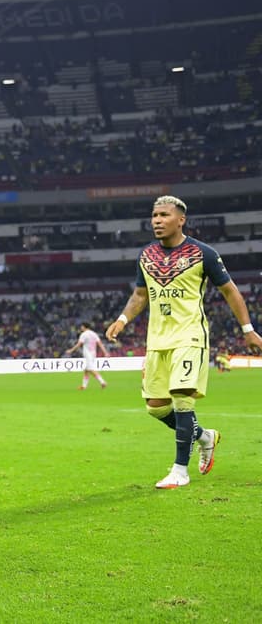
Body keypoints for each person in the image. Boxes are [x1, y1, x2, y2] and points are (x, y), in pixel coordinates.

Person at [105, 195, 262, 489]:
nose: (157, 220)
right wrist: (123, 320)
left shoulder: (203, 253)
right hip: (157, 339)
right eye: (154, 215)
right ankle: (205, 436)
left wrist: (247, 329)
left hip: (190, 335)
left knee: (182, 400)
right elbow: (140, 295)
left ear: (181, 220)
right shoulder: (146, 256)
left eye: (164, 215)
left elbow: (230, 291)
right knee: (156, 406)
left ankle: (180, 471)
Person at [65, 322, 109, 390]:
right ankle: (83, 386)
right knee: (86, 370)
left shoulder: (84, 334)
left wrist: (71, 350)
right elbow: (100, 343)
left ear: (84, 327)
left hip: (88, 353)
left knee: (90, 369)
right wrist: (105, 352)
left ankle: (102, 382)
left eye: (81, 326)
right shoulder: (94, 334)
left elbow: (79, 344)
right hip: (93, 353)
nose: (81, 328)